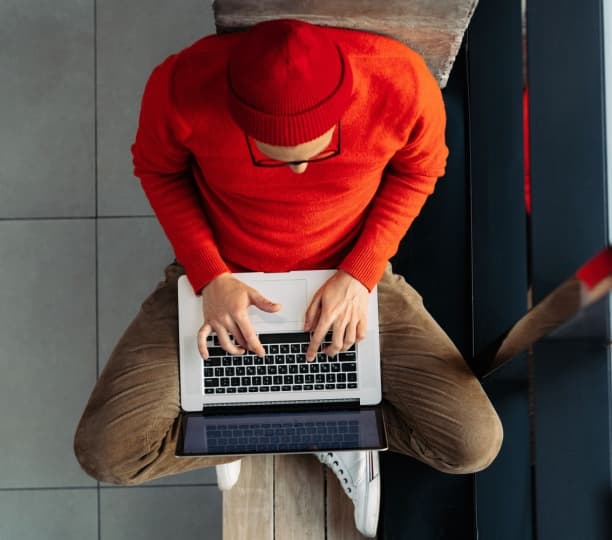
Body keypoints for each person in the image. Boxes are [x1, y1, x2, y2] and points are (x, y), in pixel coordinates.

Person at [74, 19, 503, 538]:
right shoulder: (180, 86)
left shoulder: (400, 83)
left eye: (313, 155)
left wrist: (360, 272)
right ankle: (247, 425)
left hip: (349, 274)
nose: (299, 173)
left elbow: (420, 170)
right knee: (107, 455)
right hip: (224, 280)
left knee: (473, 444)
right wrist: (211, 276)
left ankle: (288, 430)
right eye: (278, 158)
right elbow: (159, 171)